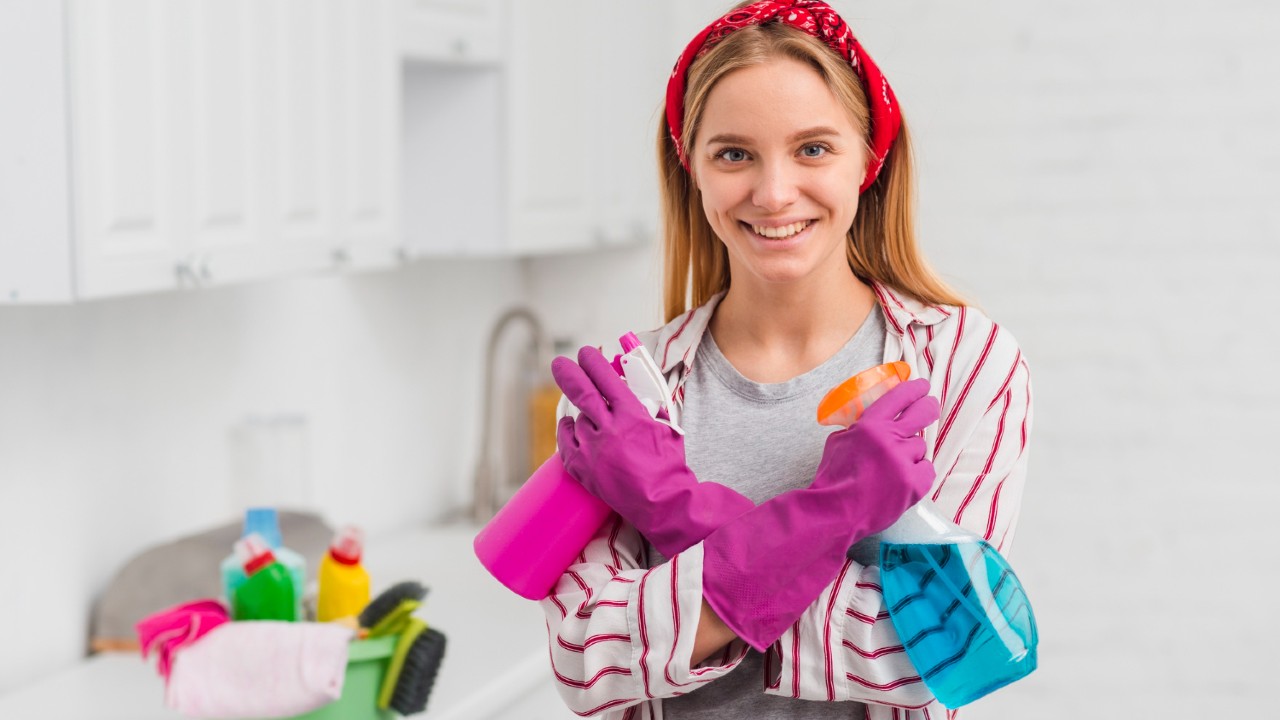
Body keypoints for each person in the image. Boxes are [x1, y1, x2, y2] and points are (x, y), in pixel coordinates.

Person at [543, 2, 1032, 718]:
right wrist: (829, 515)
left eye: (812, 149)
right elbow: (586, 657)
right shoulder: (620, 397)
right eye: (734, 153)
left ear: (869, 157)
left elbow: (937, 650)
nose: (774, 194)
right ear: (692, 169)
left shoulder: (965, 362)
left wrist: (677, 512)